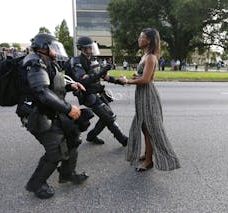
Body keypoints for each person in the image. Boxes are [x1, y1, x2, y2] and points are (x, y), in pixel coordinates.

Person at [16, 33, 90, 199]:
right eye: (53, 46)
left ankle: (67, 173)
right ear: (43, 47)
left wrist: (72, 86)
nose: (56, 50)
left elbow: (54, 84)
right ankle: (36, 184)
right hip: (37, 114)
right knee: (55, 150)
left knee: (73, 137)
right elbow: (42, 92)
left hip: (50, 110)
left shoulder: (46, 61)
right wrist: (68, 108)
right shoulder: (34, 63)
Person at [120, 28, 180, 172]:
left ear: (149, 40)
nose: (139, 39)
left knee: (150, 129)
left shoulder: (151, 57)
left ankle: (149, 161)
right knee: (144, 126)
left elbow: (147, 80)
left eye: (142, 37)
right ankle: (147, 155)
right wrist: (136, 77)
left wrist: (127, 81)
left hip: (148, 95)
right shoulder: (145, 56)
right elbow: (147, 77)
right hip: (142, 95)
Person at [70, 36, 128, 146]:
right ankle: (123, 140)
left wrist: (119, 81)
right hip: (88, 95)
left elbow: (105, 76)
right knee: (108, 117)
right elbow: (83, 81)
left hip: (98, 92)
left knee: (109, 116)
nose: (91, 50)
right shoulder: (76, 62)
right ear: (82, 48)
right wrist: (101, 71)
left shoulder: (92, 60)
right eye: (89, 48)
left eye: (92, 48)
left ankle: (91, 136)